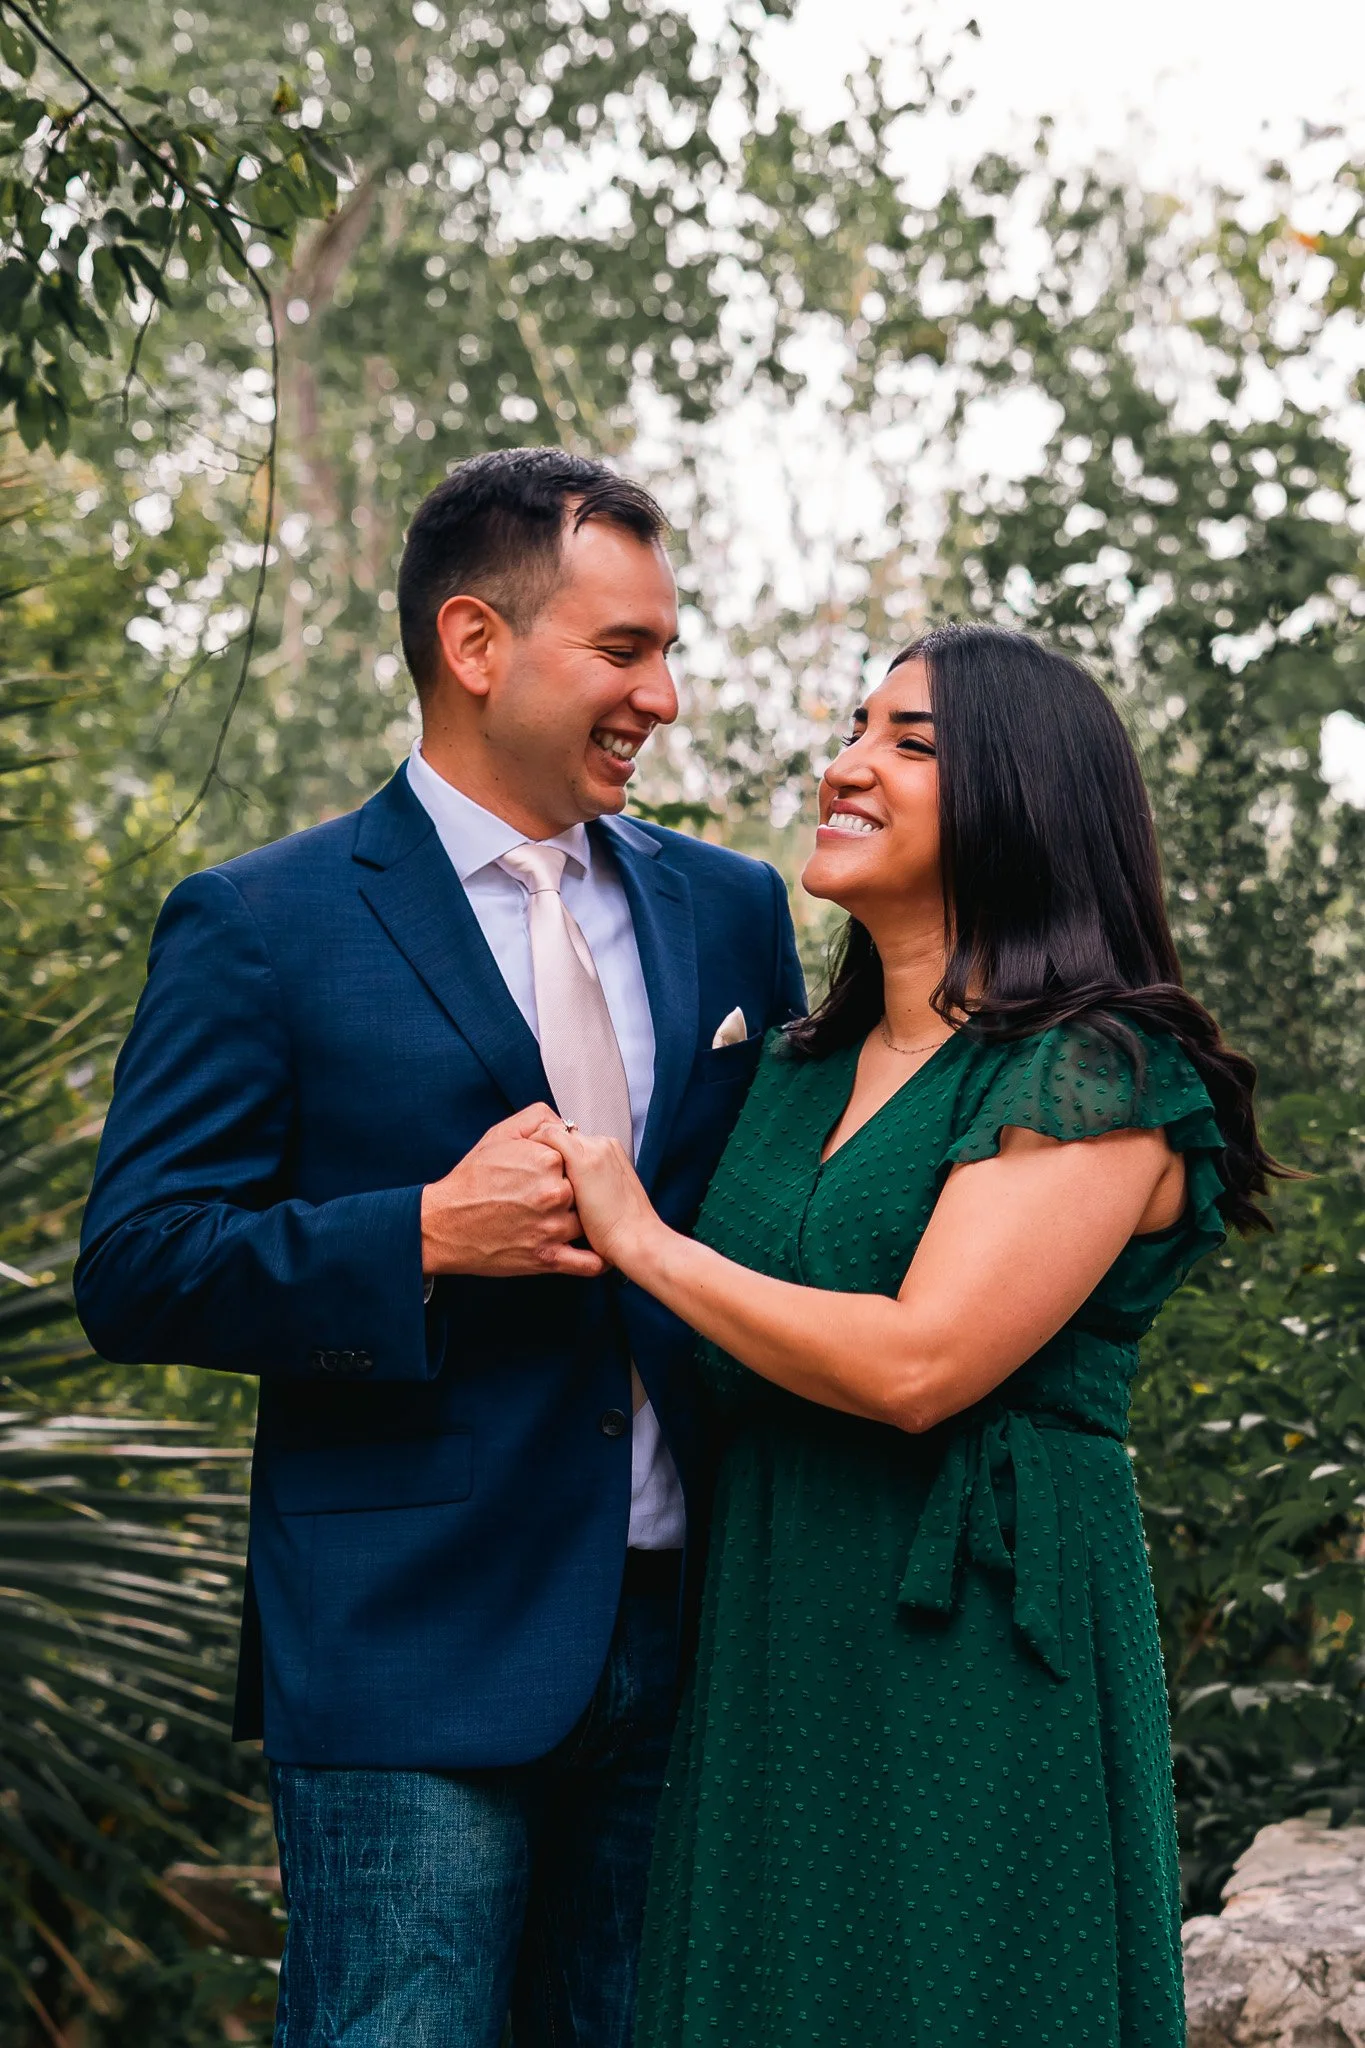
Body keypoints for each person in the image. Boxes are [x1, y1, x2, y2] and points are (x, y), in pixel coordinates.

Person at [73, 448, 806, 2048]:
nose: (664, 697)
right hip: (410, 1650)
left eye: (668, 652)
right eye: (626, 652)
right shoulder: (261, 924)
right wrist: (415, 1235)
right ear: (477, 647)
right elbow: (133, 1261)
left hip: (701, 1644)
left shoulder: (739, 912)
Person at [541, 622, 1281, 2048]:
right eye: (857, 729)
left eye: (910, 744)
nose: (848, 765)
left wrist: (641, 1242)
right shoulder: (797, 1069)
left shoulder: (1093, 1067)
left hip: (974, 1652)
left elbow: (919, 1364)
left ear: (1025, 798)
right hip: (770, 1634)